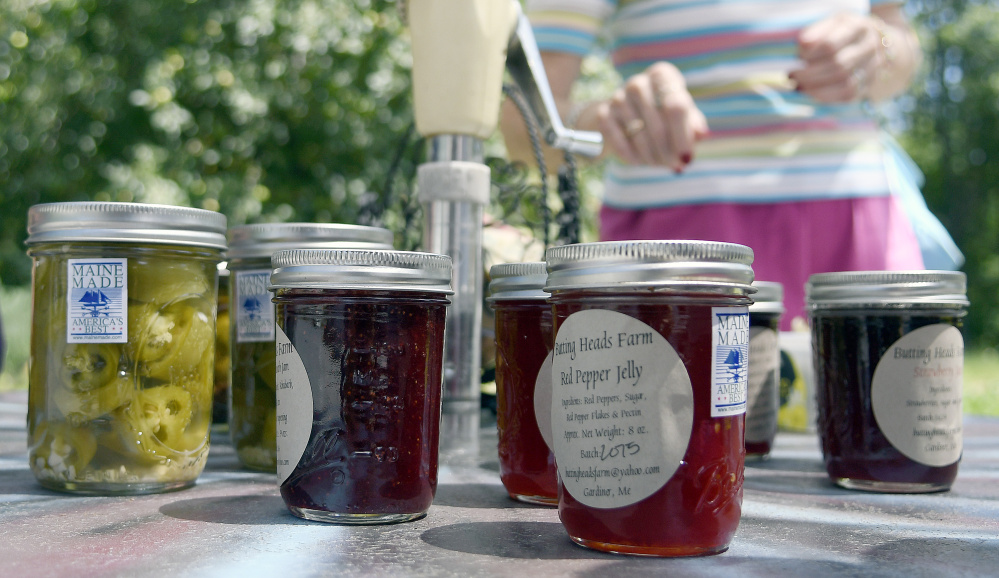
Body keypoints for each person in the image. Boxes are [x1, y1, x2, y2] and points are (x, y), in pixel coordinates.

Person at [501, 0, 962, 328]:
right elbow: (521, 123)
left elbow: (899, 42)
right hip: (679, 247)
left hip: (857, 231)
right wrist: (612, 120)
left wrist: (877, 47)